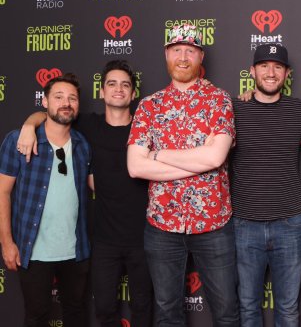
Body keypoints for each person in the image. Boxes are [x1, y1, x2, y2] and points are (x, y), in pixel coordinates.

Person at [17, 60, 154, 327]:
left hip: (146, 237)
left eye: (125, 84)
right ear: (101, 92)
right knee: (103, 309)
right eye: (111, 84)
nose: (118, 89)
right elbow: (54, 116)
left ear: (134, 93)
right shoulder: (87, 126)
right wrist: (28, 124)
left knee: (144, 306)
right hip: (102, 239)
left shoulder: (146, 126)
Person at [126, 24, 239, 327]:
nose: (183, 57)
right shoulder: (149, 105)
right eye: (177, 50)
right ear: (167, 54)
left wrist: (158, 155)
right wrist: (198, 160)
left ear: (201, 56)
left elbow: (215, 157)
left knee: (227, 312)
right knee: (167, 313)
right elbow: (136, 166)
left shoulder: (219, 99)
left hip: (213, 223)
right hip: (162, 225)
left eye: (190, 50)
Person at [231, 43, 301, 327]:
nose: (271, 72)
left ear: (286, 73)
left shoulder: (300, 110)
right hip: (244, 224)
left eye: (278, 66)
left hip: (290, 224)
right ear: (252, 71)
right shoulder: (233, 109)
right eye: (264, 65)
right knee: (248, 307)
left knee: (288, 310)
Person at [0, 73, 91, 327]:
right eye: (59, 97)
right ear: (45, 102)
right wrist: (7, 243)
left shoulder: (83, 145)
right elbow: (2, 192)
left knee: (76, 313)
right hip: (33, 249)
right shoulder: (19, 140)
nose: (66, 103)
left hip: (76, 249)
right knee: (36, 316)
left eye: (72, 98)